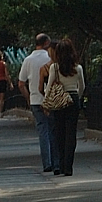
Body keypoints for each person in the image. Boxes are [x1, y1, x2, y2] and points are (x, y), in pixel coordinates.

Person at [44, 38, 85, 177]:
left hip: (59, 99)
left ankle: (60, 164)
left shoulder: (54, 68)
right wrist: (76, 97)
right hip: (73, 98)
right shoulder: (77, 68)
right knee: (70, 134)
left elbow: (49, 86)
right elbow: (82, 86)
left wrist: (47, 102)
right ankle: (69, 167)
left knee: (59, 133)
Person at [18, 34, 58, 173]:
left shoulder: (28, 60)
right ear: (47, 42)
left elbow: (21, 83)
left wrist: (28, 98)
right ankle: (56, 162)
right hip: (51, 99)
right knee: (53, 130)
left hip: (35, 99)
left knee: (43, 131)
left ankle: (46, 162)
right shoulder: (51, 59)